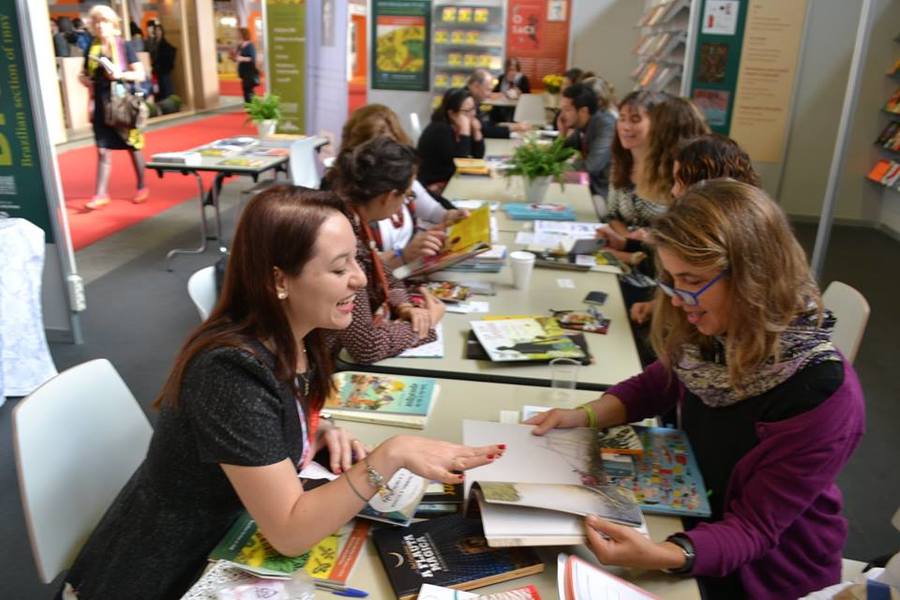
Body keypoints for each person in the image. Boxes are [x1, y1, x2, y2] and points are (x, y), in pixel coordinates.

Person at [60, 186, 502, 599]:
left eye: (358, 262)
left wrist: (317, 427)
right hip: (168, 576)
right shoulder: (229, 369)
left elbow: (278, 408)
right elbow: (288, 533)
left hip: (225, 538)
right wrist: (390, 456)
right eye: (338, 268)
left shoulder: (301, 333)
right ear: (280, 281)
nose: (360, 281)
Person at [528, 180, 865, 599]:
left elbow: (754, 529)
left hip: (767, 574)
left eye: (690, 279)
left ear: (752, 276)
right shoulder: (717, 327)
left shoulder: (821, 392)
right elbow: (658, 384)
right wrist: (583, 416)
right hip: (691, 517)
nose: (676, 299)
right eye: (670, 280)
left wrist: (661, 554)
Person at [606, 133, 760, 328]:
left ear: (710, 186)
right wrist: (627, 244)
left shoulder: (732, 236)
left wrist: (628, 254)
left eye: (681, 182)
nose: (674, 191)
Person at [330, 136, 448, 363]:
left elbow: (387, 276)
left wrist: (404, 306)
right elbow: (366, 346)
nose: (406, 202)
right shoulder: (345, 240)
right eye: (406, 195)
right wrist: (425, 325)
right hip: (323, 362)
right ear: (389, 196)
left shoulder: (352, 219)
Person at [334, 104, 466, 271]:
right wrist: (404, 256)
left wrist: (449, 216)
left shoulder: (397, 178)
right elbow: (361, 273)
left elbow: (432, 211)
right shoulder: (343, 216)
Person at [78, 5, 148, 210]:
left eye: (104, 21)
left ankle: (142, 186)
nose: (100, 26)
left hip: (122, 103)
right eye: (96, 22)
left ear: (113, 24)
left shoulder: (123, 46)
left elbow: (140, 74)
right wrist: (83, 79)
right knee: (102, 150)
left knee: (132, 146)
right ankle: (100, 194)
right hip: (100, 103)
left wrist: (120, 75)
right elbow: (84, 74)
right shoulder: (91, 47)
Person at [416, 87, 485, 194]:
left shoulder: (458, 125)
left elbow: (478, 156)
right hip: (433, 186)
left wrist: (477, 132)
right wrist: (465, 132)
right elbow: (462, 163)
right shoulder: (440, 130)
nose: (473, 114)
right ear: (452, 114)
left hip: (451, 179)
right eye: (467, 111)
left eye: (474, 108)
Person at [558, 82, 616, 200]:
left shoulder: (605, 126)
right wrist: (562, 134)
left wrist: (555, 172)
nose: (562, 116)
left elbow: (591, 167)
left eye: (567, 110)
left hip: (603, 194)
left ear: (583, 111)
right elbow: (557, 156)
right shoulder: (582, 125)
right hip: (587, 188)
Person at [466, 68, 529, 138]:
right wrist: (513, 127)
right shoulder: (465, 102)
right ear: (476, 86)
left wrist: (501, 125)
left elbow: (483, 124)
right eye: (487, 89)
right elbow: (483, 130)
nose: (489, 94)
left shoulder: (471, 98)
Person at [151, 23, 177, 101]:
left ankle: (170, 102)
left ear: (162, 31)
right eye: (156, 30)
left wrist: (168, 66)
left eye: (159, 30)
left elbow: (171, 52)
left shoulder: (164, 43)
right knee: (159, 87)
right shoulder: (154, 42)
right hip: (157, 69)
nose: (157, 32)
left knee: (166, 86)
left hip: (164, 69)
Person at [235, 27, 258, 103]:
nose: (237, 35)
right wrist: (234, 57)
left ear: (243, 34)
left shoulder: (250, 45)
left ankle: (252, 105)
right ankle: (249, 105)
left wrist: (241, 58)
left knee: (248, 88)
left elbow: (252, 58)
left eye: (239, 34)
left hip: (249, 70)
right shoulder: (240, 45)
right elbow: (237, 57)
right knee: (245, 89)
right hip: (243, 70)